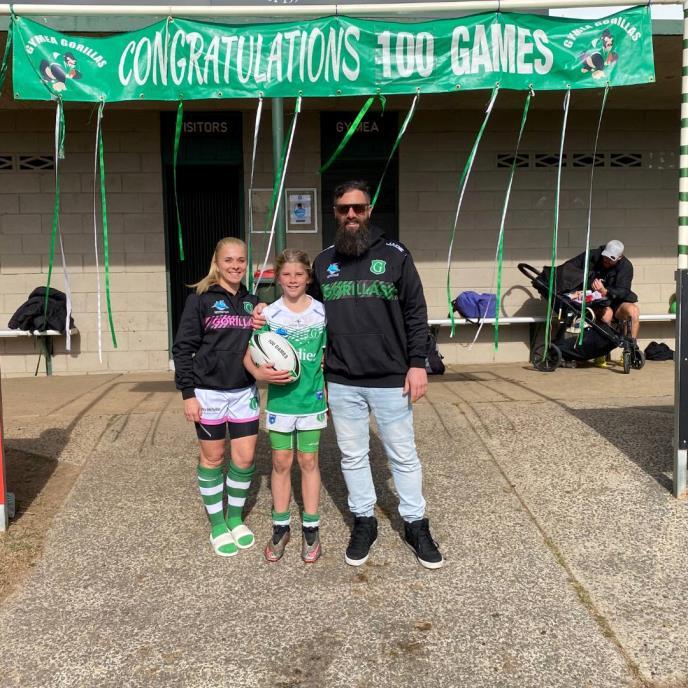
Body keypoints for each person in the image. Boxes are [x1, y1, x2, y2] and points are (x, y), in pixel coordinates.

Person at [256, 180, 443, 569]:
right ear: (335, 213)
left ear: (369, 210)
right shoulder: (325, 262)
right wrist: (263, 310)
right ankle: (364, 521)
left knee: (402, 455)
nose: (352, 214)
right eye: (344, 209)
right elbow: (301, 306)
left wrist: (417, 362)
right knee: (353, 456)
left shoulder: (395, 255)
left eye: (358, 208)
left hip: (392, 378)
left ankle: (415, 524)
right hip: (342, 380)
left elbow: (415, 311)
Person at [172, 237, 290, 557]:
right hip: (207, 393)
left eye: (240, 260)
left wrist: (266, 314)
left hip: (243, 393)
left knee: (245, 459)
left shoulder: (252, 301)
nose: (235, 265)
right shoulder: (200, 300)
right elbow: (182, 349)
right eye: (229, 260)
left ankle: (234, 518)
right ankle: (217, 525)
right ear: (217, 262)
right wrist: (188, 394)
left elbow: (267, 339)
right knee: (213, 459)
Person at [244, 249, 327, 564]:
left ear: (308, 277)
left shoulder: (322, 312)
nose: (293, 280)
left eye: (299, 274)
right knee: (280, 461)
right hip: (281, 401)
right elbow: (252, 355)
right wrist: (260, 373)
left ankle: (311, 527)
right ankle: (281, 526)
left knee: (308, 460)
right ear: (278, 278)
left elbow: (327, 354)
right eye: (287, 274)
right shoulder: (268, 314)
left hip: (311, 400)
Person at [563, 240, 639, 339]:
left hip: (615, 301)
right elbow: (569, 267)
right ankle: (603, 345)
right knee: (606, 315)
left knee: (633, 311)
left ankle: (630, 345)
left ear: (619, 258)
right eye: (605, 257)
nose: (607, 260)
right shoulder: (592, 256)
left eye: (611, 259)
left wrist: (606, 291)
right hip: (594, 302)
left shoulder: (625, 266)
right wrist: (575, 289)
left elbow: (624, 291)